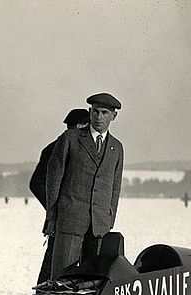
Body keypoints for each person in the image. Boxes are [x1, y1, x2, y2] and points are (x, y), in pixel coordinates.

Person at [44, 93, 124, 280]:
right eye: (95, 111)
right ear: (89, 112)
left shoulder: (117, 147)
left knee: (93, 281)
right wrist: (52, 217)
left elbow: (115, 187)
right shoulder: (70, 139)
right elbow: (54, 180)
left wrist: (109, 218)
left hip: (99, 226)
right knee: (62, 279)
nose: (99, 117)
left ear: (113, 116)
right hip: (70, 220)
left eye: (104, 112)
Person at [30, 108, 91, 283]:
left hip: (85, 218)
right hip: (62, 219)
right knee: (54, 266)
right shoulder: (53, 149)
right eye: (87, 125)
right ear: (79, 126)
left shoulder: (86, 148)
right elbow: (36, 183)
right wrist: (58, 207)